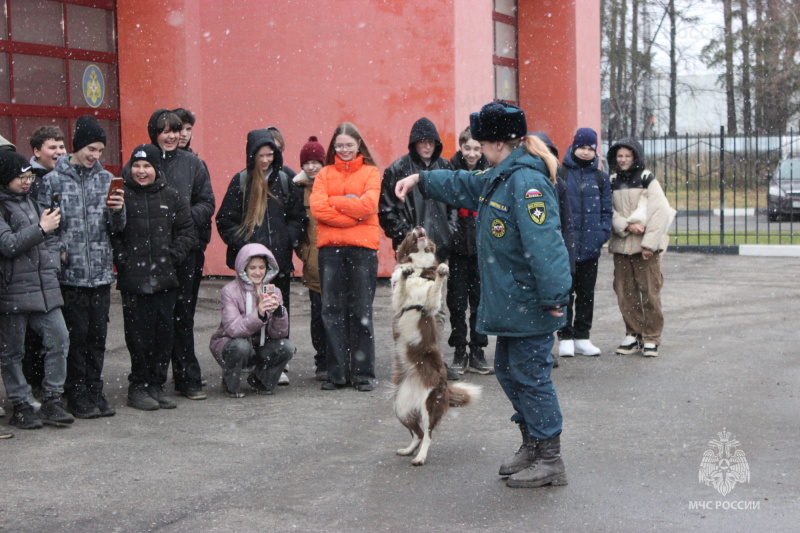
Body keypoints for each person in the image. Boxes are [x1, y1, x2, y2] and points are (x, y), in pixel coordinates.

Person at [394, 102, 571, 488]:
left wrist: (556, 296)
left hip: (530, 301)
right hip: (514, 301)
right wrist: (422, 180)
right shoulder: (502, 175)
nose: (474, 145)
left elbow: (546, 245)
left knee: (531, 377)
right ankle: (533, 445)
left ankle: (549, 457)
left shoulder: (527, 184)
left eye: (479, 139)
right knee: (510, 371)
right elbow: (465, 184)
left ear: (495, 143)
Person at [38, 117, 125, 419]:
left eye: (100, 150)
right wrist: (60, 252)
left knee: (98, 337)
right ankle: (75, 393)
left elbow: (118, 227)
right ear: (77, 146)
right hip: (70, 276)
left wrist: (117, 212)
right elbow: (44, 228)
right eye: (91, 149)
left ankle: (94, 389)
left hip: (100, 273)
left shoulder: (105, 180)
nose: (95, 156)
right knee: (77, 338)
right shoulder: (52, 181)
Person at [112, 144, 197, 411]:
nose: (141, 171)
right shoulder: (121, 195)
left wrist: (172, 257)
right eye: (136, 166)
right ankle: (138, 387)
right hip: (134, 282)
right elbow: (112, 234)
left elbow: (187, 231)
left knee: (164, 335)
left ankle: (157, 386)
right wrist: (124, 261)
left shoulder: (171, 195)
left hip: (165, 279)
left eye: (146, 166)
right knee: (138, 337)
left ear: (156, 169)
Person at [378, 117, 461, 380]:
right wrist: (409, 238)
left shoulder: (445, 167)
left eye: (431, 141)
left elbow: (454, 207)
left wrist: (448, 235)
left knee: (436, 308)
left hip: (439, 253)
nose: (426, 146)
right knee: (408, 307)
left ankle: (433, 358)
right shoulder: (397, 169)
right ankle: (410, 360)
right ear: (414, 142)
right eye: (422, 141)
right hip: (410, 256)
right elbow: (387, 211)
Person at [0, 151, 74, 430]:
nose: (27, 181)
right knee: (12, 352)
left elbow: (48, 239)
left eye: (29, 176)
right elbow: (7, 244)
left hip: (45, 288)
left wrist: (55, 259)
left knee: (59, 340)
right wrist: (41, 229)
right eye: (21, 178)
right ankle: (21, 404)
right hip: (13, 292)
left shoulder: (30, 202)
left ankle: (52, 400)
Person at [147, 109, 215, 400]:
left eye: (175, 130)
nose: (172, 135)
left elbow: (207, 202)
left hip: (187, 251)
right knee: (157, 318)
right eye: (165, 131)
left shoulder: (193, 164)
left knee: (183, 315)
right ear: (155, 134)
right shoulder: (144, 161)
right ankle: (153, 380)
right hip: (152, 252)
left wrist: (181, 218)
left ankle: (188, 378)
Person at [309, 122, 381, 392]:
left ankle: (363, 374)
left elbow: (370, 205)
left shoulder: (372, 173)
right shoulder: (324, 174)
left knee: (361, 310)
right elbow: (318, 208)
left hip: (363, 251)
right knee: (332, 311)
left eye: (349, 144)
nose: (345, 149)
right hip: (331, 251)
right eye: (340, 145)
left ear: (358, 145)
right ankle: (337, 373)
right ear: (333, 147)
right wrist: (353, 212)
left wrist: (335, 202)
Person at [606, 138, 673, 358]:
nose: (623, 160)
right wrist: (626, 225)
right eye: (620, 156)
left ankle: (651, 336)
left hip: (645, 248)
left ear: (635, 156)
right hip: (622, 245)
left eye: (627, 155)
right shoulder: (612, 180)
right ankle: (633, 333)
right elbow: (608, 209)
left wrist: (649, 245)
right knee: (625, 293)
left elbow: (659, 211)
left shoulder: (647, 179)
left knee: (650, 292)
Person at [554, 127, 612, 358]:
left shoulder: (600, 177)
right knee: (565, 293)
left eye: (591, 148)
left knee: (587, 293)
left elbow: (607, 211)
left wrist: (601, 235)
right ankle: (565, 336)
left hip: (590, 246)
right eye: (583, 147)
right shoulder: (561, 174)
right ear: (574, 147)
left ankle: (583, 336)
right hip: (565, 247)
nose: (586, 152)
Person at [209, 243, 295, 397]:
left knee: (286, 346)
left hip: (260, 345)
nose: (257, 272)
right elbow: (233, 329)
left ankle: (260, 380)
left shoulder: (273, 291)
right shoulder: (230, 291)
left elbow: (279, 334)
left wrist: (279, 314)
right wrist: (259, 314)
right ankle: (230, 384)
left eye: (261, 267)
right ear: (243, 269)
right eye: (252, 268)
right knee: (240, 346)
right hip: (232, 344)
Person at [22, 126, 66, 405]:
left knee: (54, 335)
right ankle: (30, 389)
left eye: (61, 147)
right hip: (29, 271)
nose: (59, 153)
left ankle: (48, 391)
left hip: (49, 269)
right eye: (52, 147)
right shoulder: (27, 180)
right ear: (36, 151)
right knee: (28, 339)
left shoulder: (60, 177)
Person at [446, 127, 491, 375]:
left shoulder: (490, 171)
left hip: (483, 248)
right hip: (457, 248)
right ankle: (459, 349)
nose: (472, 153)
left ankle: (478, 349)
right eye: (467, 148)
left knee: (480, 302)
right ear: (461, 147)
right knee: (456, 302)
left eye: (476, 148)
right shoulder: (451, 169)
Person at [293, 136, 328, 381]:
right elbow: (297, 228)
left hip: (335, 260)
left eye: (317, 161)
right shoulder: (297, 191)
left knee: (335, 313)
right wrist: (305, 253)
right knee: (318, 315)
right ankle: (322, 360)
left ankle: (337, 358)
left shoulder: (332, 185)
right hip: (314, 264)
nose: (312, 167)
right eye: (308, 162)